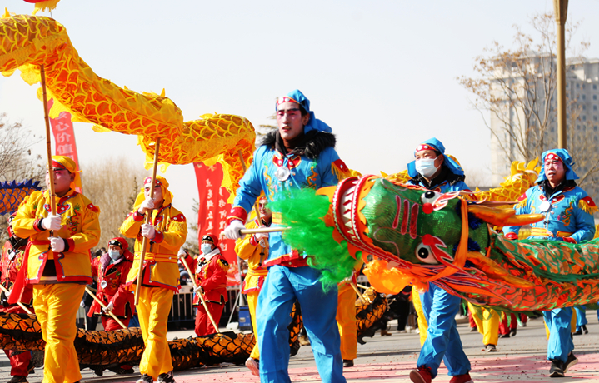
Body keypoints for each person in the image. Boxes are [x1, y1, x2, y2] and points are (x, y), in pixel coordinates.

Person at [224, 89, 349, 383]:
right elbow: (246, 189)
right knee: (268, 323)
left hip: (314, 256)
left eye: (292, 113)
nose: (285, 119)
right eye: (280, 113)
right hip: (278, 258)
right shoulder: (264, 156)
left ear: (305, 117)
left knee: (320, 331)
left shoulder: (324, 154)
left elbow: (340, 194)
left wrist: (319, 218)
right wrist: (236, 217)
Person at [503, 149, 596, 378]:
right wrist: (510, 235)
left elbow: (588, 228)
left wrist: (572, 239)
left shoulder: (578, 196)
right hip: (535, 257)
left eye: (556, 163)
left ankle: (557, 360)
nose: (550, 167)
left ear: (565, 168)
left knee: (560, 308)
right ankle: (567, 352)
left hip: (563, 259)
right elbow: (511, 218)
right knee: (547, 307)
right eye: (547, 164)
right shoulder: (532, 194)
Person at [11, 155, 101, 383]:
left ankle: (52, 381)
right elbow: (17, 226)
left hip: (69, 276)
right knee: (51, 334)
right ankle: (71, 378)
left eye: (59, 171)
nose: (52, 174)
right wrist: (40, 224)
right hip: (40, 276)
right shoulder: (33, 201)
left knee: (57, 334)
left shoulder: (83, 204)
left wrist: (68, 243)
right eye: (49, 170)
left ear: (72, 176)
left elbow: (93, 236)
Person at [405, 138, 473, 383]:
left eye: (428, 155)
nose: (422, 161)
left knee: (439, 318)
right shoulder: (408, 188)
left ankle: (426, 368)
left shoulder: (458, 187)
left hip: (451, 264)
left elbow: (472, 223)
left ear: (440, 159)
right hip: (422, 267)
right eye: (418, 157)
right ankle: (461, 372)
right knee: (440, 319)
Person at [121, 176, 187, 383]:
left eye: (155, 187)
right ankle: (166, 370)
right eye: (147, 188)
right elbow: (125, 231)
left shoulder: (176, 216)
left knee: (156, 327)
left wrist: (158, 235)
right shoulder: (140, 212)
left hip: (163, 276)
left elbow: (178, 239)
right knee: (147, 330)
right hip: (140, 276)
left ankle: (148, 372)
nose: (151, 191)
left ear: (164, 190)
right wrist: (140, 212)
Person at [234, 196, 271, 376]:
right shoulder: (249, 226)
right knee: (259, 326)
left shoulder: (282, 223)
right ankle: (259, 360)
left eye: (266, 205)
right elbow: (240, 251)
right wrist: (254, 238)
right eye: (259, 205)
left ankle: (257, 358)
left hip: (276, 280)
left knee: (275, 322)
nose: (262, 208)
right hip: (256, 280)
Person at [88, 237, 135, 374]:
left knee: (113, 334)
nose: (112, 250)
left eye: (116, 248)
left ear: (122, 249)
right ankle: (117, 363)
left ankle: (116, 363)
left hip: (119, 304)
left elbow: (124, 287)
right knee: (110, 334)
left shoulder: (127, 264)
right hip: (102, 302)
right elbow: (89, 270)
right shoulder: (101, 261)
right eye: (111, 247)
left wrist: (112, 303)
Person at [1, 213, 34, 383]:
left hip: (23, 301)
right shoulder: (6, 245)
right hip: (4, 300)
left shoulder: (32, 246)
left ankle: (20, 373)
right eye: (13, 226)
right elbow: (3, 268)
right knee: (3, 336)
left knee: (17, 338)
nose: (15, 229)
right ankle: (26, 361)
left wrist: (15, 292)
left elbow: (31, 275)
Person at [193, 234, 229, 336]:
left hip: (214, 296)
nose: (204, 245)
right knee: (199, 327)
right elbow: (192, 266)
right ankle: (201, 349)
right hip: (202, 296)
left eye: (208, 243)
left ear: (213, 245)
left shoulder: (218, 259)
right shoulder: (200, 259)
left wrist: (203, 286)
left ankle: (212, 350)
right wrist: (185, 257)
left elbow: (218, 277)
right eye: (203, 242)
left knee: (211, 327)